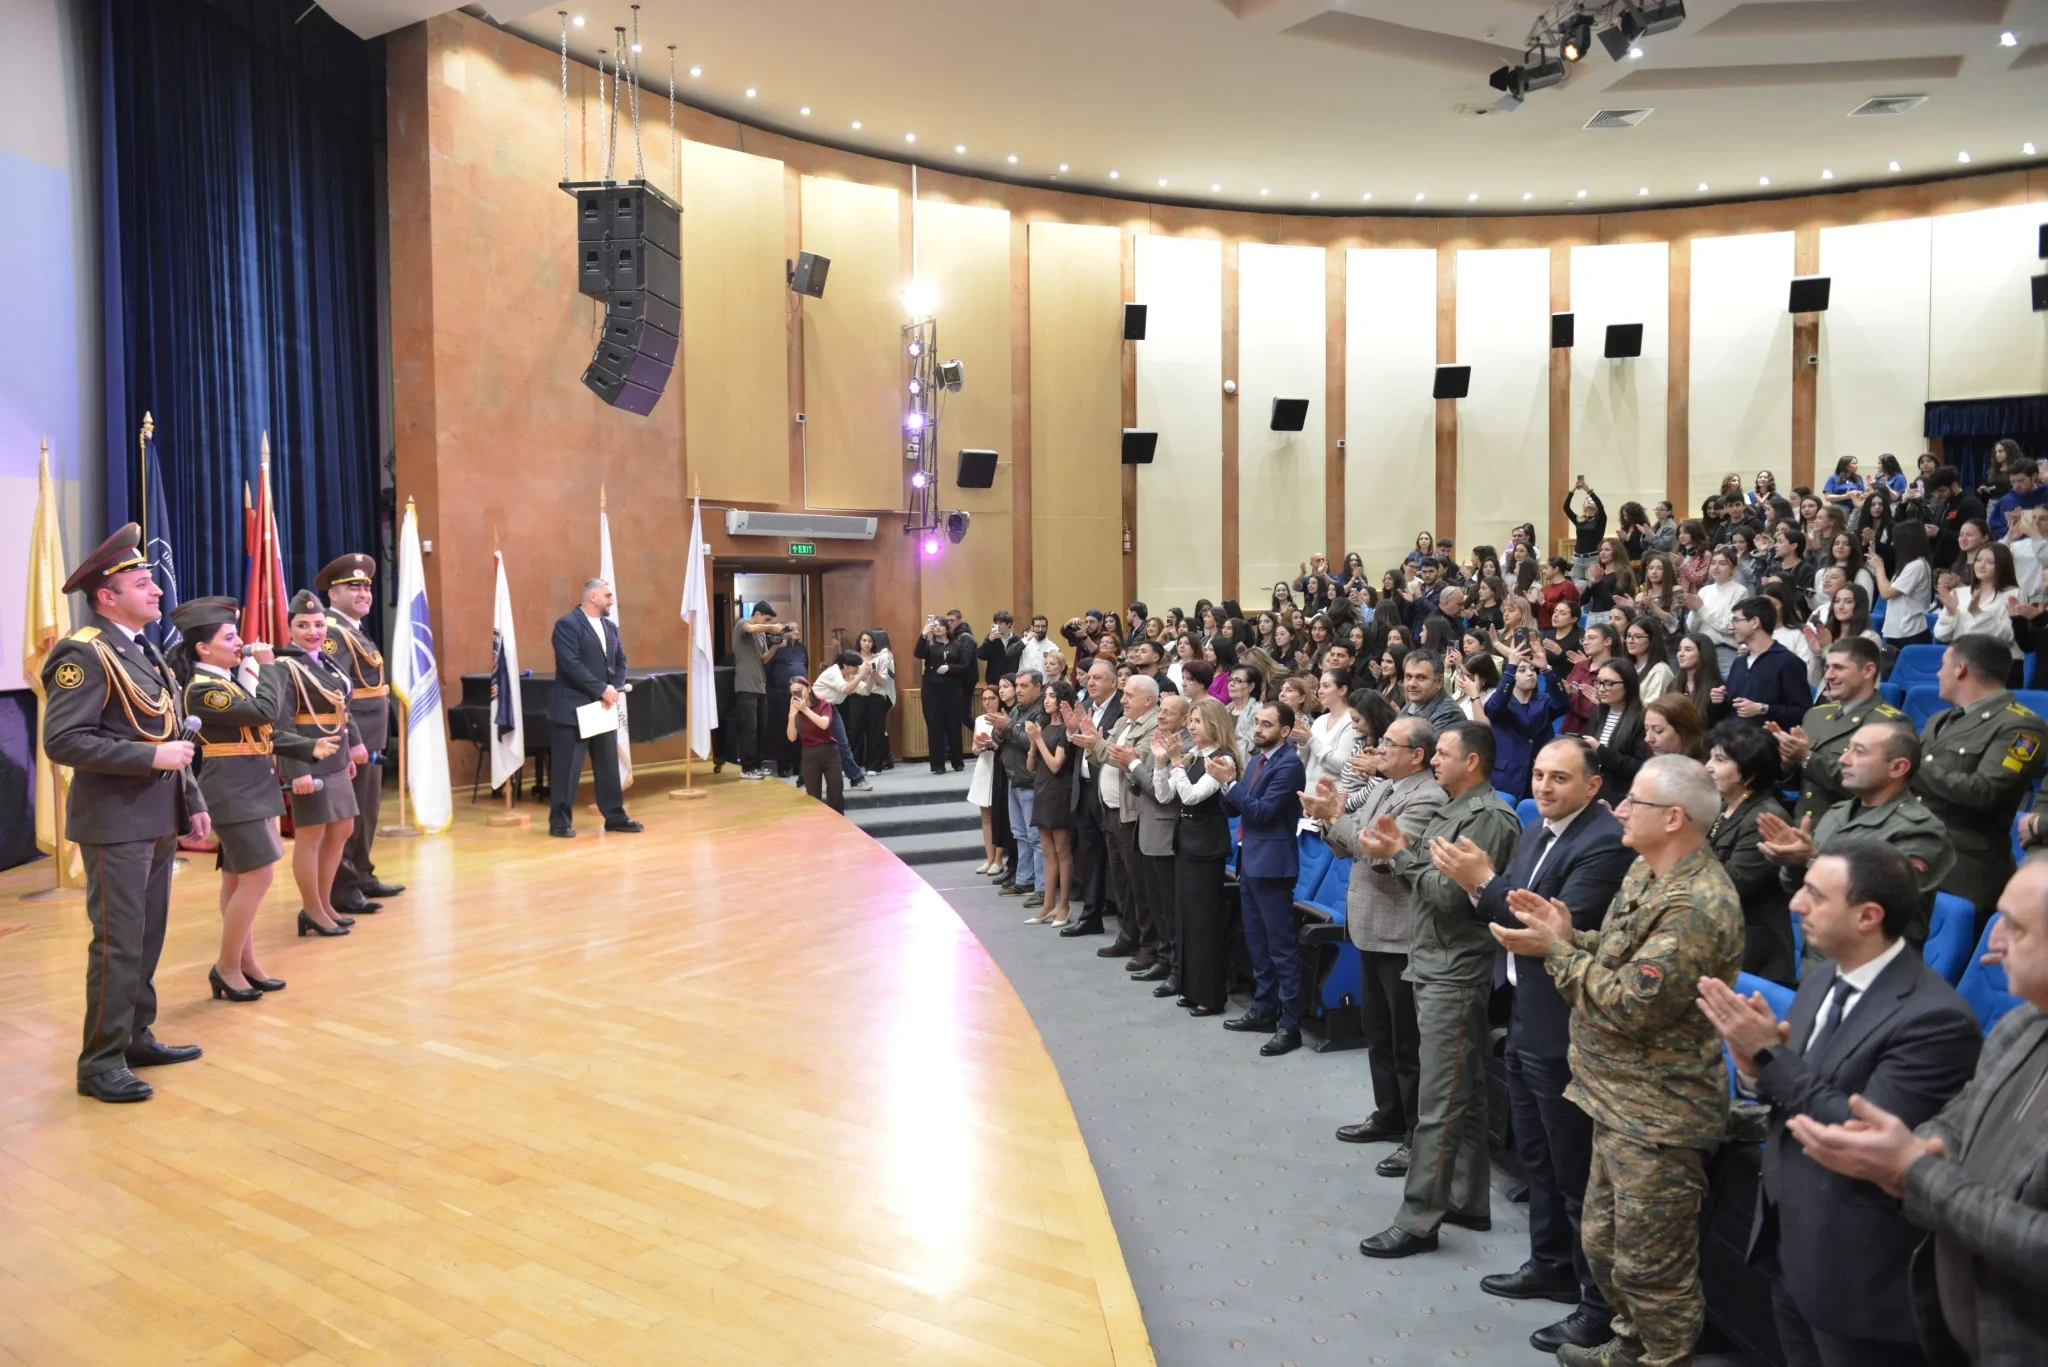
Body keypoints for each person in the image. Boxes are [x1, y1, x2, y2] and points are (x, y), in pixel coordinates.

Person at [1491, 755, 1744, 1367]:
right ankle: (1627, 1348)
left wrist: (1555, 952)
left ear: (1674, 818)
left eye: (1636, 802)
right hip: (1615, 1095)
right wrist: (1568, 936)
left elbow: (1631, 1003)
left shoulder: (1695, 905)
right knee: (1607, 1246)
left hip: (1660, 1113)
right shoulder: (1648, 872)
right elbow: (1615, 951)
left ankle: (1661, 1356)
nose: (1620, 810)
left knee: (1653, 1269)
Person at [1696, 843, 1982, 1367]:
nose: (1795, 904)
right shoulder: (1825, 977)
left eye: (1815, 895)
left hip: (1860, 1275)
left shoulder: (1935, 1021)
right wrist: (1754, 1069)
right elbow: (1790, 1092)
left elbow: (1860, 1135)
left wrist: (1770, 1056)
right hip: (1792, 1246)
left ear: (1868, 916)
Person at [1786, 855, 2048, 1367]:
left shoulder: (1948, 1017)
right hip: (1957, 1328)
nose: (1993, 945)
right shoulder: (2021, 1028)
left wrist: (1916, 1172)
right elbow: (1954, 1123)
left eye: (2015, 929)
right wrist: (1908, 1151)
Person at [1438, 737, 1636, 1352]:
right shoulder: (1538, 829)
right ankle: (1549, 1263)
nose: (1544, 787)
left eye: (1560, 778)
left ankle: (1595, 1304)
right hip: (1527, 1010)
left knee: (1575, 1169)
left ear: (1594, 786)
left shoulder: (1604, 842)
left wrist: (1483, 882)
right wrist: (1484, 888)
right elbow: (1506, 910)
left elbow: (1546, 925)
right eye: (1540, 775)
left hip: (1568, 1022)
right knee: (1538, 1156)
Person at [41, 525, 212, 1102]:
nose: (157, 590)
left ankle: (135, 1036)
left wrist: (192, 801)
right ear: (107, 595)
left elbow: (173, 734)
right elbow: (64, 740)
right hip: (115, 822)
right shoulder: (83, 652)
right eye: (142, 583)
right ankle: (99, 1061)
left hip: (156, 816)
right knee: (118, 942)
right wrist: (148, 758)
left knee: (147, 935)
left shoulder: (142, 650)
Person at [1354, 721, 1521, 1257]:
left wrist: (1401, 855)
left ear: (1472, 762)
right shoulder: (1456, 809)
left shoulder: (1488, 816)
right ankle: (1468, 1199)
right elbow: (1434, 881)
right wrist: (1405, 854)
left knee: (1439, 1101)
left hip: (1456, 966)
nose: (1434, 761)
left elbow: (1451, 896)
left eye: (1444, 754)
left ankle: (1419, 1219)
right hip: (1434, 958)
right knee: (1462, 1090)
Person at [170, 597, 336, 1000]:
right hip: (232, 792)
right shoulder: (204, 690)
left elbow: (261, 734)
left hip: (249, 788)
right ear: (203, 649)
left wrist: (307, 747)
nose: (240, 643)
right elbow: (265, 713)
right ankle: (226, 966)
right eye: (229, 637)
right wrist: (270, 667)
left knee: (236, 879)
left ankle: (246, 962)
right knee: (260, 876)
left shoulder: (225, 683)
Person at [1308, 717, 1446, 1167]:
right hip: (1368, 926)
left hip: (1399, 934)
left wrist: (1338, 819)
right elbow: (1348, 845)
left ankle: (1415, 1135)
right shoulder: (1386, 787)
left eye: (1390, 743)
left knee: (1407, 1043)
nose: (1380, 749)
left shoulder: (1427, 797)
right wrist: (1330, 817)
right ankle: (1388, 1115)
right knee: (1377, 1032)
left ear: (1418, 755)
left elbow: (1378, 855)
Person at [1760, 720, 1956, 946]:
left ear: (1897, 768)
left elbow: (1881, 902)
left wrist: (1812, 860)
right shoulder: (1838, 813)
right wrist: (1793, 862)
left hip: (1871, 959)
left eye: (1859, 752)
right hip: (1820, 954)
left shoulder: (1919, 830)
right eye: (1847, 750)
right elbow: (1797, 888)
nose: (1843, 759)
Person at [1914, 633, 2048, 933]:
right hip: (1915, 848)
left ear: (1961, 669)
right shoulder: (1941, 719)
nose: (1938, 673)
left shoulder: (2021, 725)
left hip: (1964, 865)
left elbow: (1986, 792)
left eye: (1943, 665)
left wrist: (1909, 766)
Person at [1212, 702, 1307, 1054]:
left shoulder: (1289, 765)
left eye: (1267, 724)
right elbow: (1235, 808)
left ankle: (1290, 1025)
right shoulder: (1257, 761)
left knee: (1281, 947)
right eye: (1257, 722)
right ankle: (1264, 1009)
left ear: (1285, 731)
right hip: (1250, 861)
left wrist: (1230, 783)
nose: (1258, 728)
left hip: (1273, 865)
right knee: (1257, 942)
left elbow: (1263, 813)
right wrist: (1224, 784)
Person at [316, 553, 403, 915]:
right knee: (349, 816)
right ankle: (342, 887)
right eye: (354, 587)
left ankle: (362, 873)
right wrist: (353, 741)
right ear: (333, 595)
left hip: (372, 735)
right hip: (355, 737)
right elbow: (337, 693)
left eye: (366, 587)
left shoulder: (353, 628)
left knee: (366, 811)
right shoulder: (333, 633)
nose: (364, 594)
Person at [278, 590, 364, 937]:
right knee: (311, 836)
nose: (312, 632)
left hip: (335, 758)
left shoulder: (327, 662)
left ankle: (325, 902)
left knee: (343, 828)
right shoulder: (284, 667)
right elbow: (282, 724)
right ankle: (311, 909)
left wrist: (350, 749)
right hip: (309, 761)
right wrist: (297, 770)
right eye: (303, 625)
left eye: (318, 624)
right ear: (290, 629)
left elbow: (341, 709)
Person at [1075, 674, 1163, 969]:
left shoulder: (1154, 726)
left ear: (1148, 700)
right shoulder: (1124, 722)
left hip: (1132, 814)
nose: (1123, 700)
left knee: (1140, 884)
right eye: (1123, 694)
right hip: (1111, 810)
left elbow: (1131, 760)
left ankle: (1149, 945)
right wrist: (1095, 744)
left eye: (1129, 695)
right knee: (1121, 881)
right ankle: (1128, 936)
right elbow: (1105, 755)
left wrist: (1101, 746)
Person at [1154, 699, 1236, 1012]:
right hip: (1186, 839)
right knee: (1186, 917)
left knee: (1204, 920)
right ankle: (1191, 987)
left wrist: (1175, 761)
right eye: (1192, 721)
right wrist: (1161, 762)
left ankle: (1210, 994)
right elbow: (1165, 795)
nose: (1192, 727)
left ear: (1215, 724)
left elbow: (1191, 797)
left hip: (1207, 844)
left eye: (1198, 721)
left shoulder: (1222, 758)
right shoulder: (1193, 756)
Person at [1771, 636, 1905, 824]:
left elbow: (1873, 787)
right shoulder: (1815, 715)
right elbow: (1802, 783)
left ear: (1868, 670)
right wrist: (1788, 763)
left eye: (1839, 668)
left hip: (1851, 829)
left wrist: (1806, 757)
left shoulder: (1889, 722)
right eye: (1827, 667)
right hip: (1804, 826)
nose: (1828, 675)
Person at [1704, 721, 1799, 984]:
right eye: (1710, 757)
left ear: (1750, 773)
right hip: (1717, 933)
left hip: (1752, 950)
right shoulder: (1720, 806)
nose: (1708, 766)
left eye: (1720, 760)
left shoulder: (1765, 818)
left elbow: (1727, 885)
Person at [547, 578, 640, 837]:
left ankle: (615, 817)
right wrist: (601, 689)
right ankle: (560, 822)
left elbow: (621, 660)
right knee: (567, 769)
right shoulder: (567, 625)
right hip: (573, 709)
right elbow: (571, 664)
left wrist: (614, 688)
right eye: (608, 596)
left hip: (603, 707)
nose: (612, 601)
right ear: (593, 596)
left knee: (608, 766)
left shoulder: (610, 627)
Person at [1057, 659, 1123, 937]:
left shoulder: (1121, 709)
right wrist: (1072, 730)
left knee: (1117, 859)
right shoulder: (1086, 707)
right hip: (1083, 790)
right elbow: (1075, 748)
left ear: (1114, 682)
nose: (1090, 682)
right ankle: (1091, 915)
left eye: (1098, 678)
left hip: (1108, 792)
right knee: (1089, 854)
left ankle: (1125, 922)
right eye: (1089, 678)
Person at [1130, 692, 1192, 986]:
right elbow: (1142, 781)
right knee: (1156, 902)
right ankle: (1164, 959)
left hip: (1167, 831)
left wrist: (1133, 766)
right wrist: (1132, 768)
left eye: (1169, 712)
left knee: (1169, 905)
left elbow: (1162, 793)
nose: (1162, 715)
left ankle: (1176, 966)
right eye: (1161, 710)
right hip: (1148, 827)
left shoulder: (1186, 747)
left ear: (1185, 719)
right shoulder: (1158, 739)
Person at [1714, 596, 1812, 730]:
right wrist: (1720, 700)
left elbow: (1803, 713)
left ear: (1755, 622)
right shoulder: (1739, 663)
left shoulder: (1789, 662)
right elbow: (1732, 711)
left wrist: (1763, 709)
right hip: (1734, 737)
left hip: (1768, 740)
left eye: (1736, 620)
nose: (1731, 627)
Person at [1935, 540, 2025, 682]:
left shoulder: (2014, 594)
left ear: (2002, 566)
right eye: (1978, 560)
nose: (1981, 565)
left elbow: (2007, 635)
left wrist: (1978, 613)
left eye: (1990, 562)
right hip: (1963, 663)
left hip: (2000, 667)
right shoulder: (1960, 593)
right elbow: (1941, 636)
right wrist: (1951, 613)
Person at [1027, 680, 1077, 926]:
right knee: (1047, 851)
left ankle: (1064, 905)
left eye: (1051, 696)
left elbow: (1057, 765)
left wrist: (1037, 740)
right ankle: (1048, 904)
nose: (1046, 700)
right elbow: (1031, 766)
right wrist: (1033, 743)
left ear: (1062, 700)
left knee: (1062, 851)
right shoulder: (1044, 726)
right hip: (1042, 790)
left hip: (1059, 792)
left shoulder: (1065, 729)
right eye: (1045, 696)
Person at [997, 670, 1048, 903]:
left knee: (1035, 837)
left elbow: (1029, 741)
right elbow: (1004, 737)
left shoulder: (1041, 710)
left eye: (1023, 685)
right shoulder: (1018, 708)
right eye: (1016, 685)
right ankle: (1024, 880)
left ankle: (1042, 887)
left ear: (1038, 687)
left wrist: (1007, 727)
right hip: (1013, 779)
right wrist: (999, 731)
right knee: (1020, 835)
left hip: (1030, 781)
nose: (1018, 690)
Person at [731, 600, 788, 780]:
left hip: (760, 686)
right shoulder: (742, 623)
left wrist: (776, 646)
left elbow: (764, 658)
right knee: (749, 730)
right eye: (766, 619)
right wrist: (771, 628)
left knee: (760, 730)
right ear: (756, 614)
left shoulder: (761, 633)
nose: (768, 623)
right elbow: (750, 629)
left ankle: (756, 765)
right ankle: (747, 768)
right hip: (745, 685)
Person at [806, 650, 872, 793]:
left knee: (843, 745)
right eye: (855, 666)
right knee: (814, 745)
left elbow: (865, 691)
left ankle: (857, 779)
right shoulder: (833, 672)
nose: (858, 669)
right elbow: (846, 689)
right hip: (816, 708)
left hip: (831, 707)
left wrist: (872, 676)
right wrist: (861, 675)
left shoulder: (849, 675)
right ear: (846, 665)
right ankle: (802, 780)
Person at [1872, 519, 1938, 654]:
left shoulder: (1917, 565)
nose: (1893, 544)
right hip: (1898, 630)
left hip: (1910, 632)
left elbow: (1886, 593)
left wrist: (1879, 567)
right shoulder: (1908, 565)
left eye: (1897, 540)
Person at [1586, 658, 1647, 794]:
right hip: (1595, 790)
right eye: (1598, 682)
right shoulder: (1597, 713)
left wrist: (1601, 750)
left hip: (1622, 794)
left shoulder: (1642, 719)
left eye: (1609, 683)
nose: (1601, 689)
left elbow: (1640, 767)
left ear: (1628, 685)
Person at [785, 674, 843, 811]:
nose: (798, 694)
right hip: (809, 755)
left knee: (835, 794)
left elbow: (824, 724)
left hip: (829, 752)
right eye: (794, 692)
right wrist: (791, 716)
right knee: (813, 797)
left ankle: (838, 821)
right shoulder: (795, 711)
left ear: (809, 688)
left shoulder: (823, 704)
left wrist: (805, 709)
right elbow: (792, 738)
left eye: (800, 690)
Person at [1685, 548, 1746, 673]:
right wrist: (1695, 612)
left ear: (1733, 568)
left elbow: (1729, 626)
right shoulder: (1705, 590)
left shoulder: (1739, 591)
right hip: (1701, 650)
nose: (1716, 567)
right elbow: (1692, 628)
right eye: (1713, 563)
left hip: (1725, 650)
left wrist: (1701, 609)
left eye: (1722, 563)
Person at [844, 629, 896, 772]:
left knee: (875, 731)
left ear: (873, 643)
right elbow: (847, 678)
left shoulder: (881, 658)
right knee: (854, 731)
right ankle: (852, 765)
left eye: (870, 641)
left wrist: (874, 675)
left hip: (876, 696)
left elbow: (884, 681)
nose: (867, 644)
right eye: (864, 640)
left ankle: (873, 766)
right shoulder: (852, 658)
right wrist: (862, 675)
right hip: (857, 696)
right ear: (859, 642)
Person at [968, 684, 1002, 873]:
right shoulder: (980, 720)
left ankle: (998, 859)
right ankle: (989, 858)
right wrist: (979, 746)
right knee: (986, 817)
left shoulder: (1003, 718)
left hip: (998, 767)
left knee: (999, 816)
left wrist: (992, 744)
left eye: (991, 698)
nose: (987, 703)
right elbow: (974, 748)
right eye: (984, 699)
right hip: (984, 766)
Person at [1671, 631, 1722, 720]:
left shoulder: (1716, 688)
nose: (1681, 654)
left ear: (1702, 654)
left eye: (1688, 650)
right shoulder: (1674, 683)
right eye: (1679, 649)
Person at [1564, 478, 1608, 580]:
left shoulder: (1600, 519)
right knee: (1577, 585)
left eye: (1591, 500)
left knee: (1592, 584)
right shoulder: (1579, 520)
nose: (1588, 500)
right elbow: (1566, 508)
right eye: (1586, 500)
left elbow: (1601, 506)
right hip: (1577, 559)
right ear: (1583, 506)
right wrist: (1573, 490)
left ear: (1596, 506)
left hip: (1592, 558)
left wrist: (1588, 490)